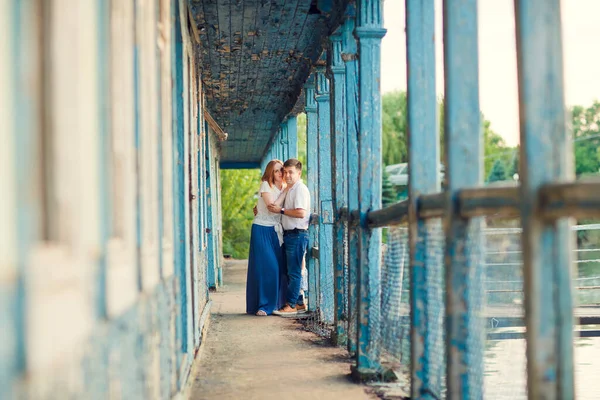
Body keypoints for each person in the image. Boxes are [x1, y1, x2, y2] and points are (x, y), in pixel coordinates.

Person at [246, 160, 288, 316]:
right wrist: (285, 193)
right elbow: (272, 209)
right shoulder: (266, 185)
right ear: (271, 172)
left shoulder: (284, 187)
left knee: (280, 269)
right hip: (262, 229)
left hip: (276, 231)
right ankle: (264, 306)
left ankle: (277, 303)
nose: (280, 173)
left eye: (282, 170)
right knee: (269, 268)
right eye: (276, 171)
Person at [268, 159, 310, 316]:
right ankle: (299, 303)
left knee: (294, 272)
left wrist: (282, 210)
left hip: (297, 234)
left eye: (291, 172)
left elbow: (301, 213)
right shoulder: (291, 189)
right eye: (285, 172)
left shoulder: (300, 189)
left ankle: (291, 305)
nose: (287, 175)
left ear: (299, 173)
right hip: (290, 235)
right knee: (291, 270)